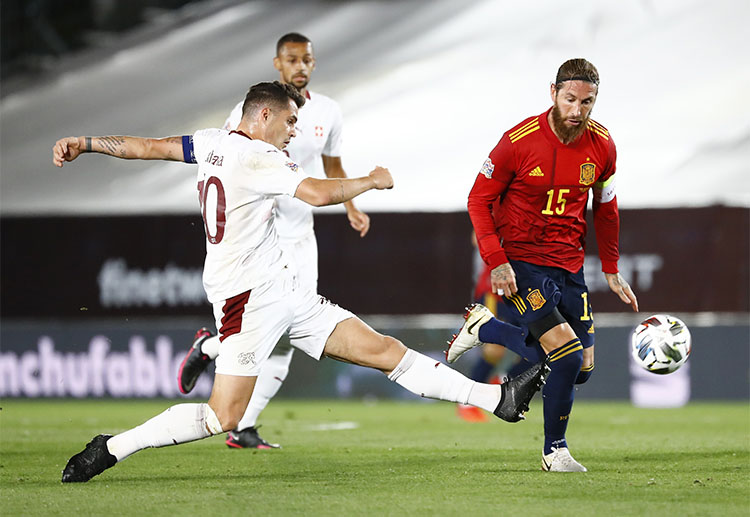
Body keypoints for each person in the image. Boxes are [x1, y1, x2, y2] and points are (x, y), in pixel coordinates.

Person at [53, 80, 550, 483]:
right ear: (263, 115)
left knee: (383, 350)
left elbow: (149, 146)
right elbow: (316, 193)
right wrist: (369, 181)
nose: (295, 131)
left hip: (285, 290)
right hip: (247, 302)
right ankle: (112, 447)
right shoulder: (259, 156)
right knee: (223, 417)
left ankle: (497, 400)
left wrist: (87, 143)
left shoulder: (211, 142)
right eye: (290, 121)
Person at [177, 32, 370, 450]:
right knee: (278, 325)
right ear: (278, 64)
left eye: (307, 59)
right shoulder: (251, 111)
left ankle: (225, 383)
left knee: (289, 333)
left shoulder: (328, 111)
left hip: (301, 235)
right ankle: (235, 408)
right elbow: (223, 160)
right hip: (262, 234)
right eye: (292, 59)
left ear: (313, 63)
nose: (301, 66)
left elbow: (332, 166)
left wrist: (351, 207)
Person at [446, 59, 639, 472]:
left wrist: (610, 265)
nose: (577, 110)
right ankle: (555, 451)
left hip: (569, 266)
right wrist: (497, 261)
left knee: (581, 368)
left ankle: (486, 329)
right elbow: (478, 200)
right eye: (570, 99)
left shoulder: (603, 145)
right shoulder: (517, 142)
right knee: (565, 357)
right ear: (553, 92)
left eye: (587, 102)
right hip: (523, 264)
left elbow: (606, 206)